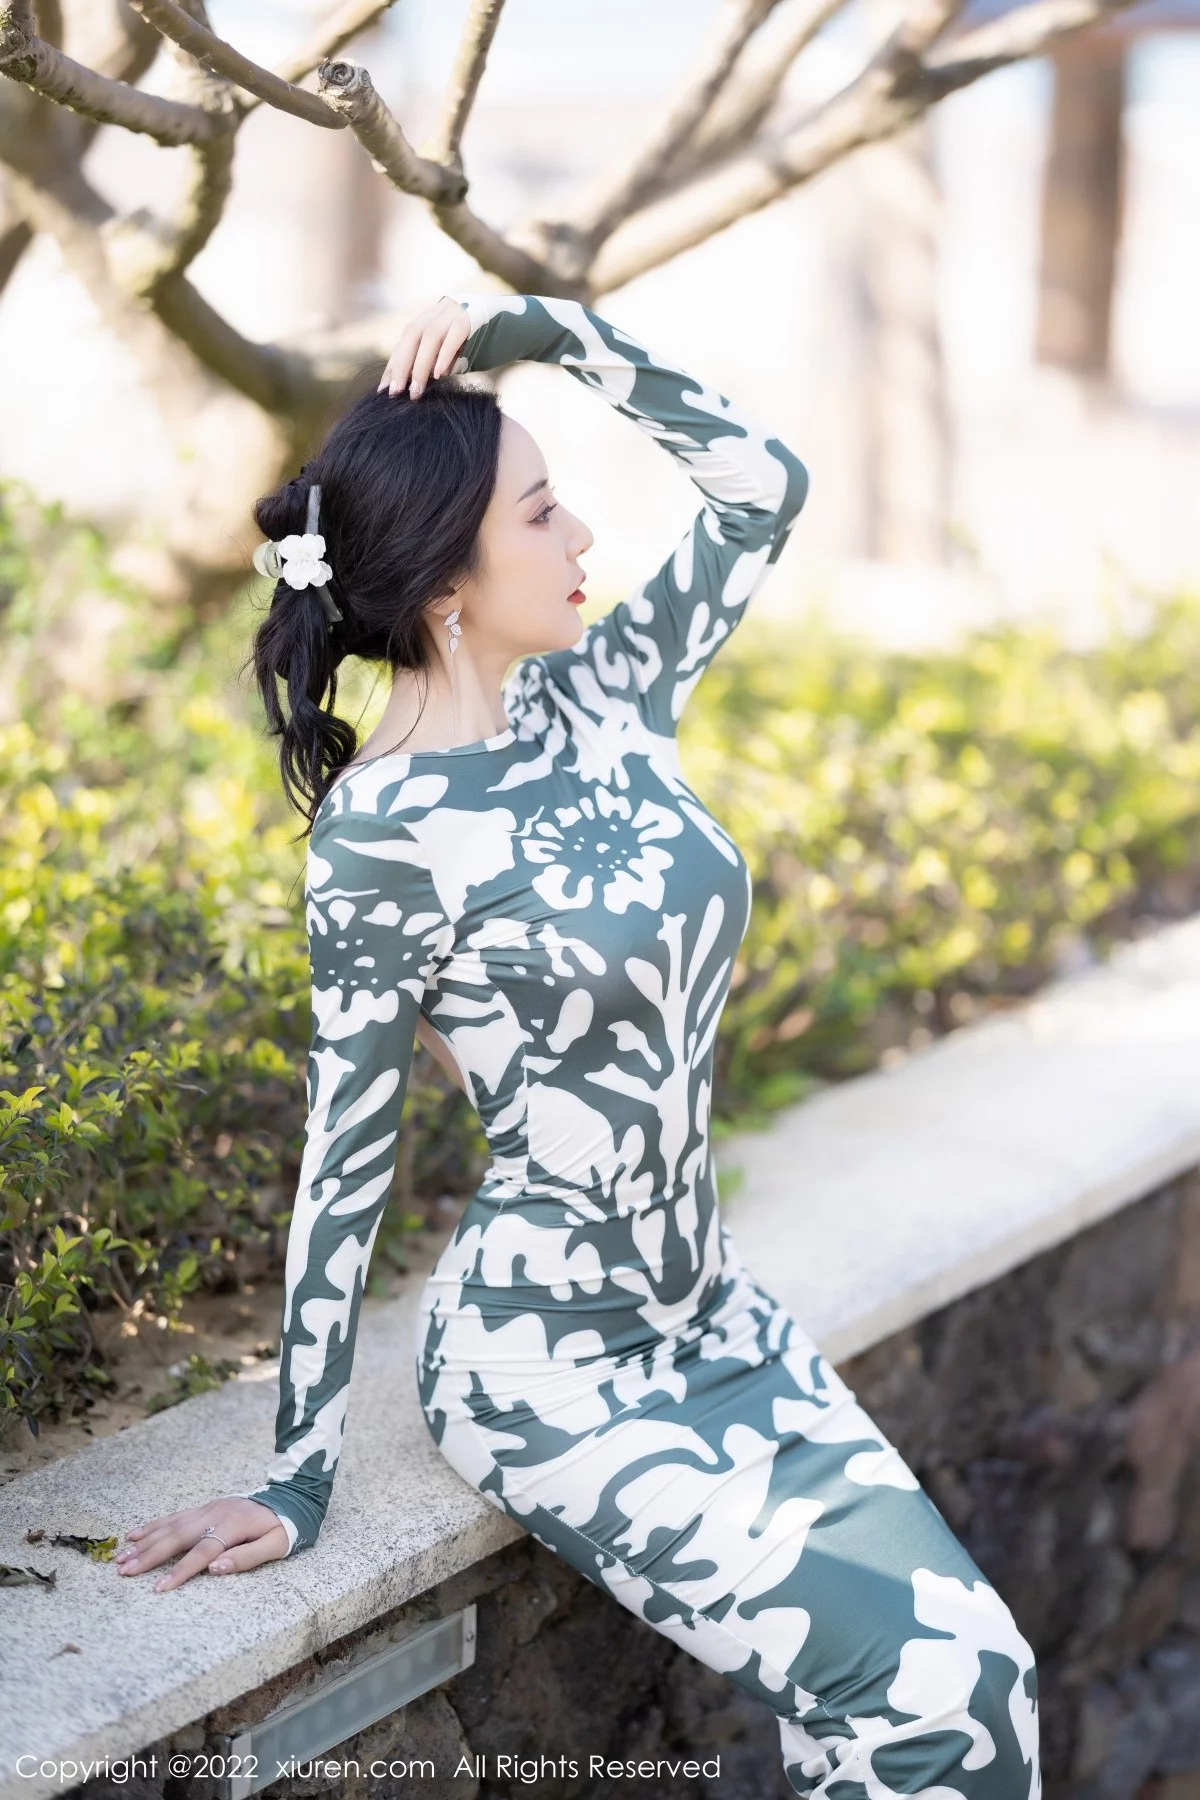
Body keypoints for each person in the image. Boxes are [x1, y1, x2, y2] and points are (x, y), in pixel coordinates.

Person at [116, 293, 1041, 1797]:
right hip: (551, 1368)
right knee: (932, 1697)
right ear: (446, 582)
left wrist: (548, 334)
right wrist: (298, 1474)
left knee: (978, 1676)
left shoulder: (605, 696)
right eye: (541, 513)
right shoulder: (382, 836)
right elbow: (347, 1157)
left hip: (715, 1317)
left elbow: (764, 485)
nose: (583, 536)